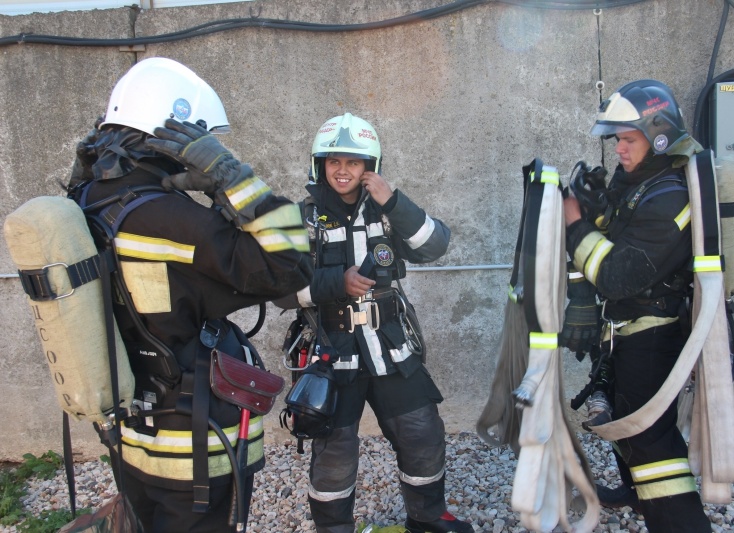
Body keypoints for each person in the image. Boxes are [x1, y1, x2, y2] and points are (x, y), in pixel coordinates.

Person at [66, 57, 313, 532]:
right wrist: (233, 179)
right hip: (193, 447)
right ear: (178, 133)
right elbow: (291, 266)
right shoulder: (169, 220)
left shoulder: (87, 202)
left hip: (132, 434)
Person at [276, 112, 474, 533]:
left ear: (371, 167)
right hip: (333, 353)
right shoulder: (301, 218)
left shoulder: (388, 212)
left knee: (422, 434)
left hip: (391, 347)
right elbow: (276, 289)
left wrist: (394, 201)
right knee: (334, 454)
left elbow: (435, 245)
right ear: (319, 165)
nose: (343, 171)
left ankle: (427, 519)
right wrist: (335, 282)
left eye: (354, 162)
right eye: (334, 162)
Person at [561, 80, 712, 533]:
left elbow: (617, 274)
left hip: (653, 335)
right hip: (626, 333)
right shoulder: (640, 185)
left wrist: (574, 225)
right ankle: (636, 493)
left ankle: (680, 523)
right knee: (629, 429)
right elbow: (617, 233)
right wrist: (595, 208)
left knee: (651, 443)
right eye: (617, 140)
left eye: (628, 139)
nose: (620, 150)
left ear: (659, 134)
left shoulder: (671, 199)